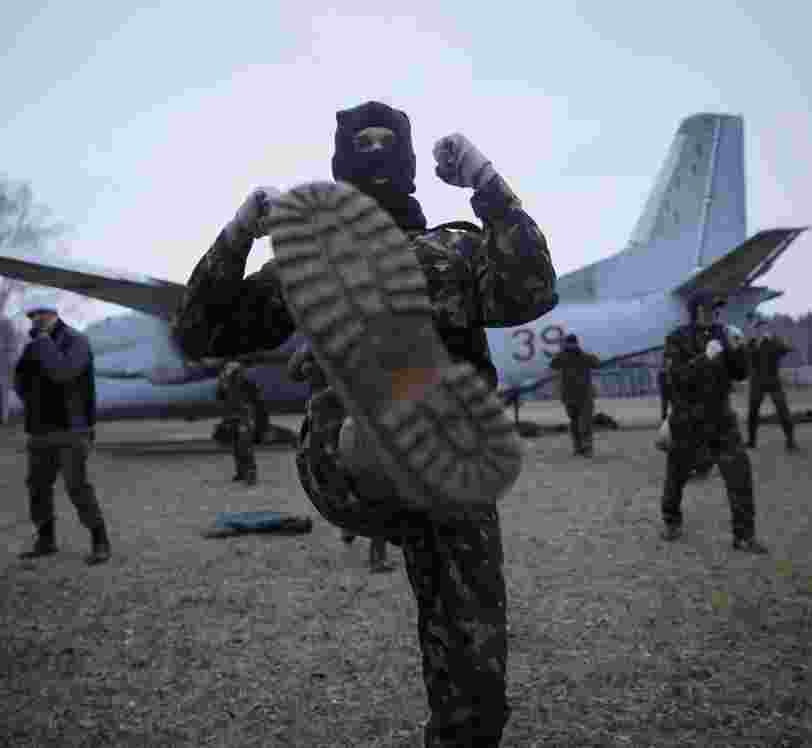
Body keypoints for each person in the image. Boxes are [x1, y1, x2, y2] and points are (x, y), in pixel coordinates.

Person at [171, 100, 557, 747]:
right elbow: (201, 330)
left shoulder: (456, 248)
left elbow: (533, 289)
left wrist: (487, 182)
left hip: (446, 476)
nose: (375, 154)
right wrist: (239, 231)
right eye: (363, 143)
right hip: (352, 463)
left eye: (387, 143)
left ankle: (463, 726)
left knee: (474, 674)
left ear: (405, 164)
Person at [658, 292, 768, 553]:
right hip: (687, 420)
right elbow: (676, 378)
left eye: (716, 309)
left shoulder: (724, 334)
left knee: (739, 475)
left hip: (721, 419)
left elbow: (740, 374)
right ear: (695, 311)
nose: (714, 314)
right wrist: (704, 358)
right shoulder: (677, 338)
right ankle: (671, 521)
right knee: (676, 476)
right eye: (708, 309)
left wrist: (739, 348)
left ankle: (744, 536)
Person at [13, 305, 111, 565]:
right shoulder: (33, 346)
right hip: (40, 429)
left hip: (72, 428)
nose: (35, 320)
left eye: (40, 314)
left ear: (54, 315)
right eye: (31, 316)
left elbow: (62, 373)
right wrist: (34, 404)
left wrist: (44, 341)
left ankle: (100, 541)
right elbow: (19, 380)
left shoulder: (76, 341)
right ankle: (46, 540)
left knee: (76, 486)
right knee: (37, 487)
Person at [289, 341, 394, 573]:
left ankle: (375, 552)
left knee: (373, 484)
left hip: (352, 423)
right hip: (328, 425)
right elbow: (293, 372)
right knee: (346, 483)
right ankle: (353, 525)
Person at [745, 319, 798, 451]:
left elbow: (785, 349)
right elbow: (746, 356)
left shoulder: (774, 341)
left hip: (773, 381)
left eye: (763, 327)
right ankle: (751, 441)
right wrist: (754, 343)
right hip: (757, 382)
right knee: (752, 412)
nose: (761, 330)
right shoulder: (752, 343)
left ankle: (790, 441)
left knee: (782, 409)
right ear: (756, 330)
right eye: (758, 328)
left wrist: (776, 342)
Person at [548, 333, 600, 456]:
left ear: (576, 344)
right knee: (575, 423)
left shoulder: (583, 356)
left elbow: (596, 363)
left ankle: (586, 448)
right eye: (569, 344)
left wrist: (578, 352)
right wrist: (564, 353)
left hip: (584, 395)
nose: (571, 346)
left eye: (572, 343)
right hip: (570, 396)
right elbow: (553, 364)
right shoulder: (562, 357)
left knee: (585, 422)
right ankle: (578, 447)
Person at [218, 360, 258, 485]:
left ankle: (250, 472)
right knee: (236, 446)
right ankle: (241, 471)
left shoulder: (246, 384)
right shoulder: (226, 386)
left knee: (244, 444)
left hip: (244, 417)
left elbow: (254, 397)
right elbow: (220, 398)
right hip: (232, 416)